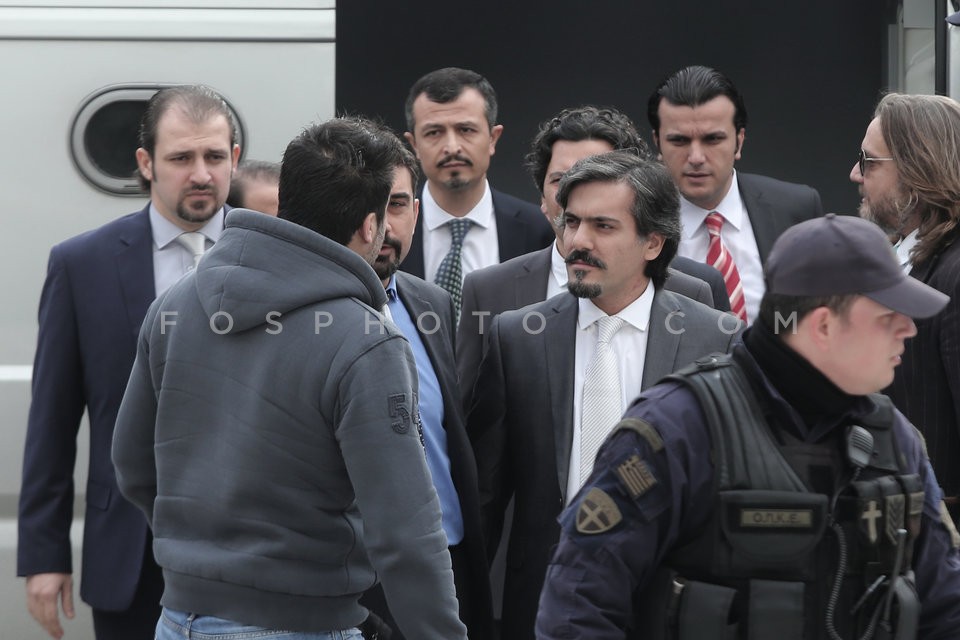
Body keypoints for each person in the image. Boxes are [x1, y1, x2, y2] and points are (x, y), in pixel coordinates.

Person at [111, 116, 467, 640]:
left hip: (177, 618)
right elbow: (406, 534)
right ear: (372, 226)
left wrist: (201, 557)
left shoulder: (174, 304)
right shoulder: (366, 338)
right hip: (302, 622)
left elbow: (131, 464)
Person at [536, 214, 960, 639]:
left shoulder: (895, 440)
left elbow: (947, 609)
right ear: (824, 326)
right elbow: (577, 609)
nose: (908, 329)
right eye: (889, 317)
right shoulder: (678, 428)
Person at [468, 150, 739, 640]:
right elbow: (486, 497)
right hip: (546, 604)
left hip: (671, 607)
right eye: (571, 222)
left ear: (653, 243)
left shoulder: (715, 339)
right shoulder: (517, 338)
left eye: (603, 227)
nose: (577, 242)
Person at [17, 84, 239, 640]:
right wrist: (44, 555)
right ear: (146, 163)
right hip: (132, 554)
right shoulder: (81, 264)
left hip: (252, 553)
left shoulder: (277, 255)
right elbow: (52, 417)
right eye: (181, 158)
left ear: (234, 158)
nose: (201, 174)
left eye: (214, 156)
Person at [457, 105, 729, 408]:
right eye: (562, 180)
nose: (578, 191)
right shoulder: (491, 292)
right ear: (542, 198)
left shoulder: (695, 290)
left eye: (597, 176)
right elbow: (473, 426)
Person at [359, 132, 493, 638]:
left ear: (416, 210)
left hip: (448, 560)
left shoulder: (429, 301)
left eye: (396, 204)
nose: (382, 226)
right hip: (359, 577)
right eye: (368, 206)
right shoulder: (304, 316)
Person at [851, 92, 960, 523]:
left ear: (918, 170)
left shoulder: (953, 270)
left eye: (869, 161)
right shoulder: (908, 257)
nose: (855, 174)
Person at [648, 65, 823, 322]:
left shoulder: (797, 210)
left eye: (712, 139)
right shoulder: (640, 223)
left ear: (739, 141)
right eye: (679, 141)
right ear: (658, 143)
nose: (696, 157)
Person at [400, 66, 554, 316]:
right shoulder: (387, 231)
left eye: (466, 130)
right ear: (414, 144)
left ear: (493, 138)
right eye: (434, 132)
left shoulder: (539, 232)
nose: (451, 147)